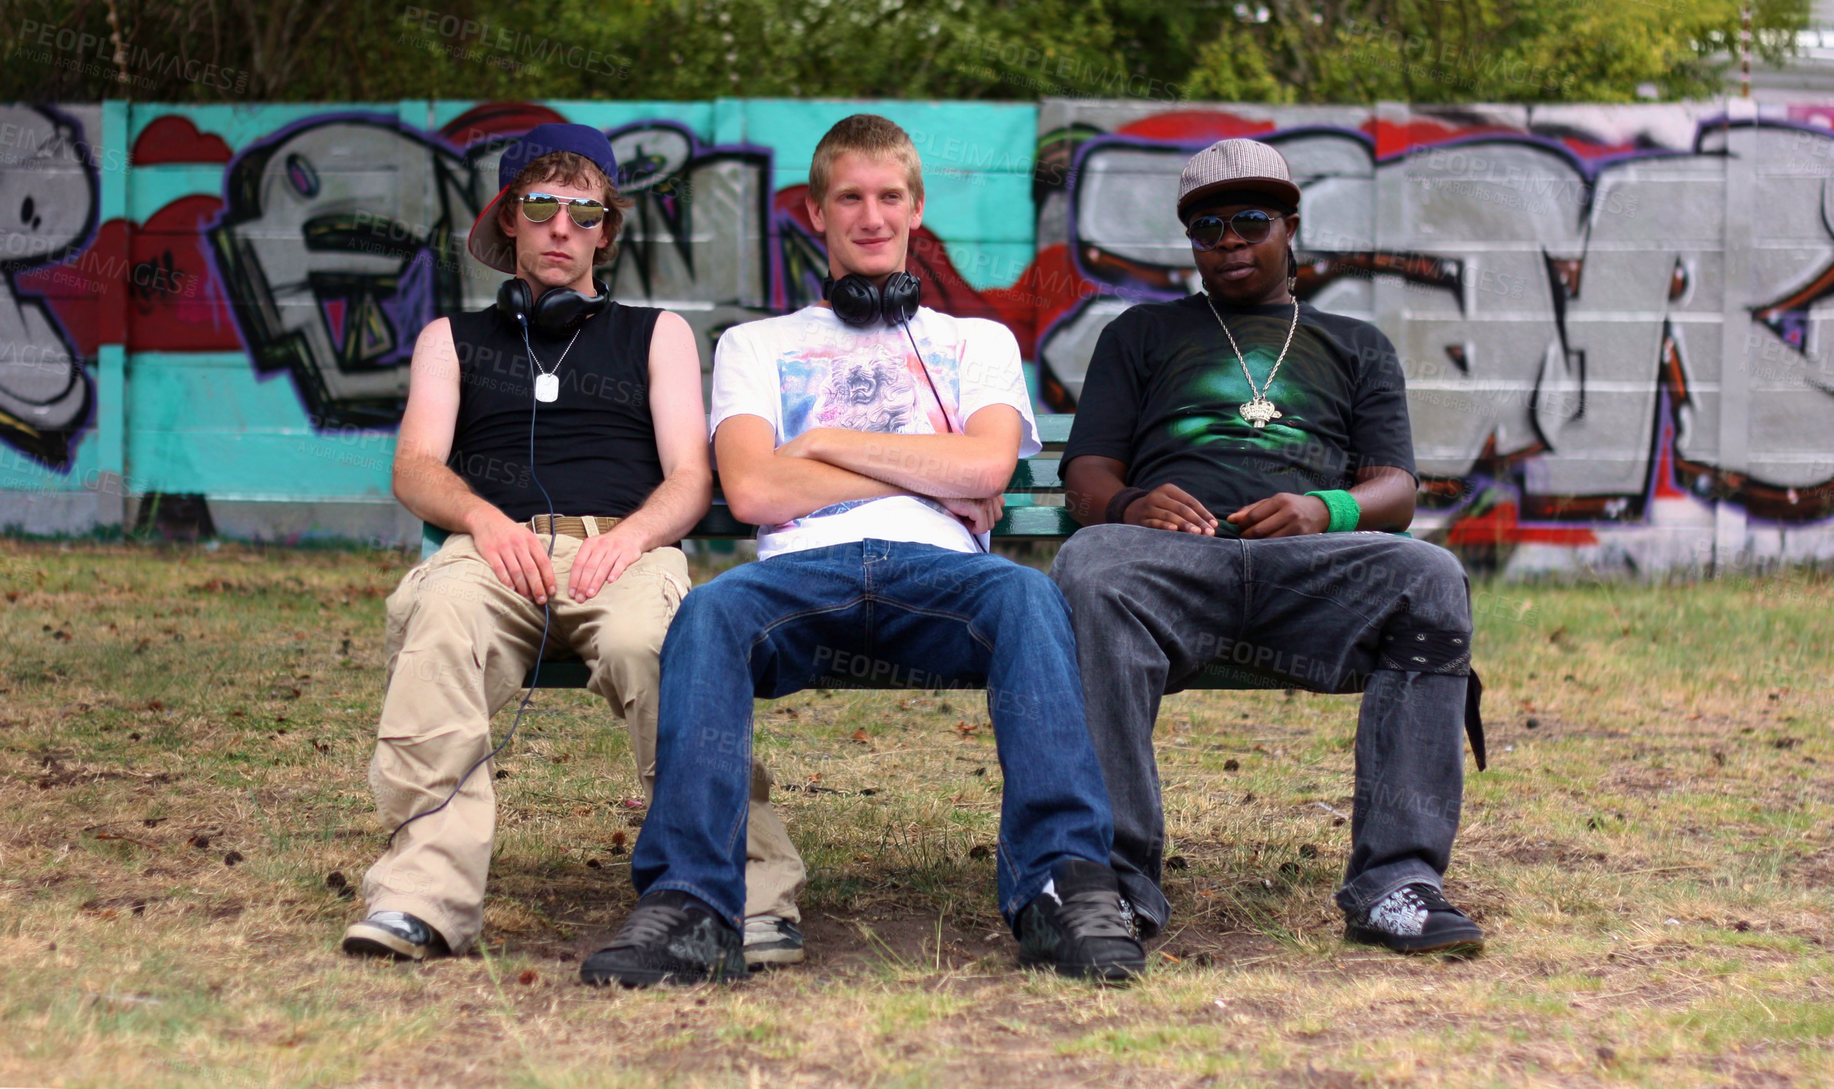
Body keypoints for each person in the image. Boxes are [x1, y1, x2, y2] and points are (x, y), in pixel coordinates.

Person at [577, 114, 1145, 987]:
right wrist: (931, 474)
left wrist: (822, 441)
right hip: (801, 580)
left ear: (917, 209)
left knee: (1030, 599)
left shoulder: (977, 342)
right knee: (710, 611)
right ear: (816, 210)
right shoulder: (752, 345)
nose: (871, 215)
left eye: (890, 196)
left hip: (947, 579)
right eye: (851, 196)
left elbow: (990, 462)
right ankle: (692, 903)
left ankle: (1062, 886)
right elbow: (758, 490)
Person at [342, 123, 805, 963]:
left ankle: (745, 889)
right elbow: (415, 466)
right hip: (491, 554)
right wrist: (484, 520)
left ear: (605, 230)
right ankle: (422, 898)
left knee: (660, 644)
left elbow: (690, 479)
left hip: (625, 552)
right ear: (509, 220)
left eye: (583, 211)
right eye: (542, 206)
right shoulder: (451, 339)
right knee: (442, 623)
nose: (562, 227)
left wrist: (629, 538)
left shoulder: (656, 334)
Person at [1050, 138, 1487, 956]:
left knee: (1430, 575)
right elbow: (1085, 476)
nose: (1229, 240)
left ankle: (1397, 881)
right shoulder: (1140, 334)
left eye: (1250, 220)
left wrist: (1323, 508)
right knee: (1091, 563)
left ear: (1291, 227)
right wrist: (1133, 503)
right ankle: (1117, 882)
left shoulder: (1355, 344)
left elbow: (1396, 488)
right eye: (1207, 227)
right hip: (1177, 567)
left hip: (1307, 571)